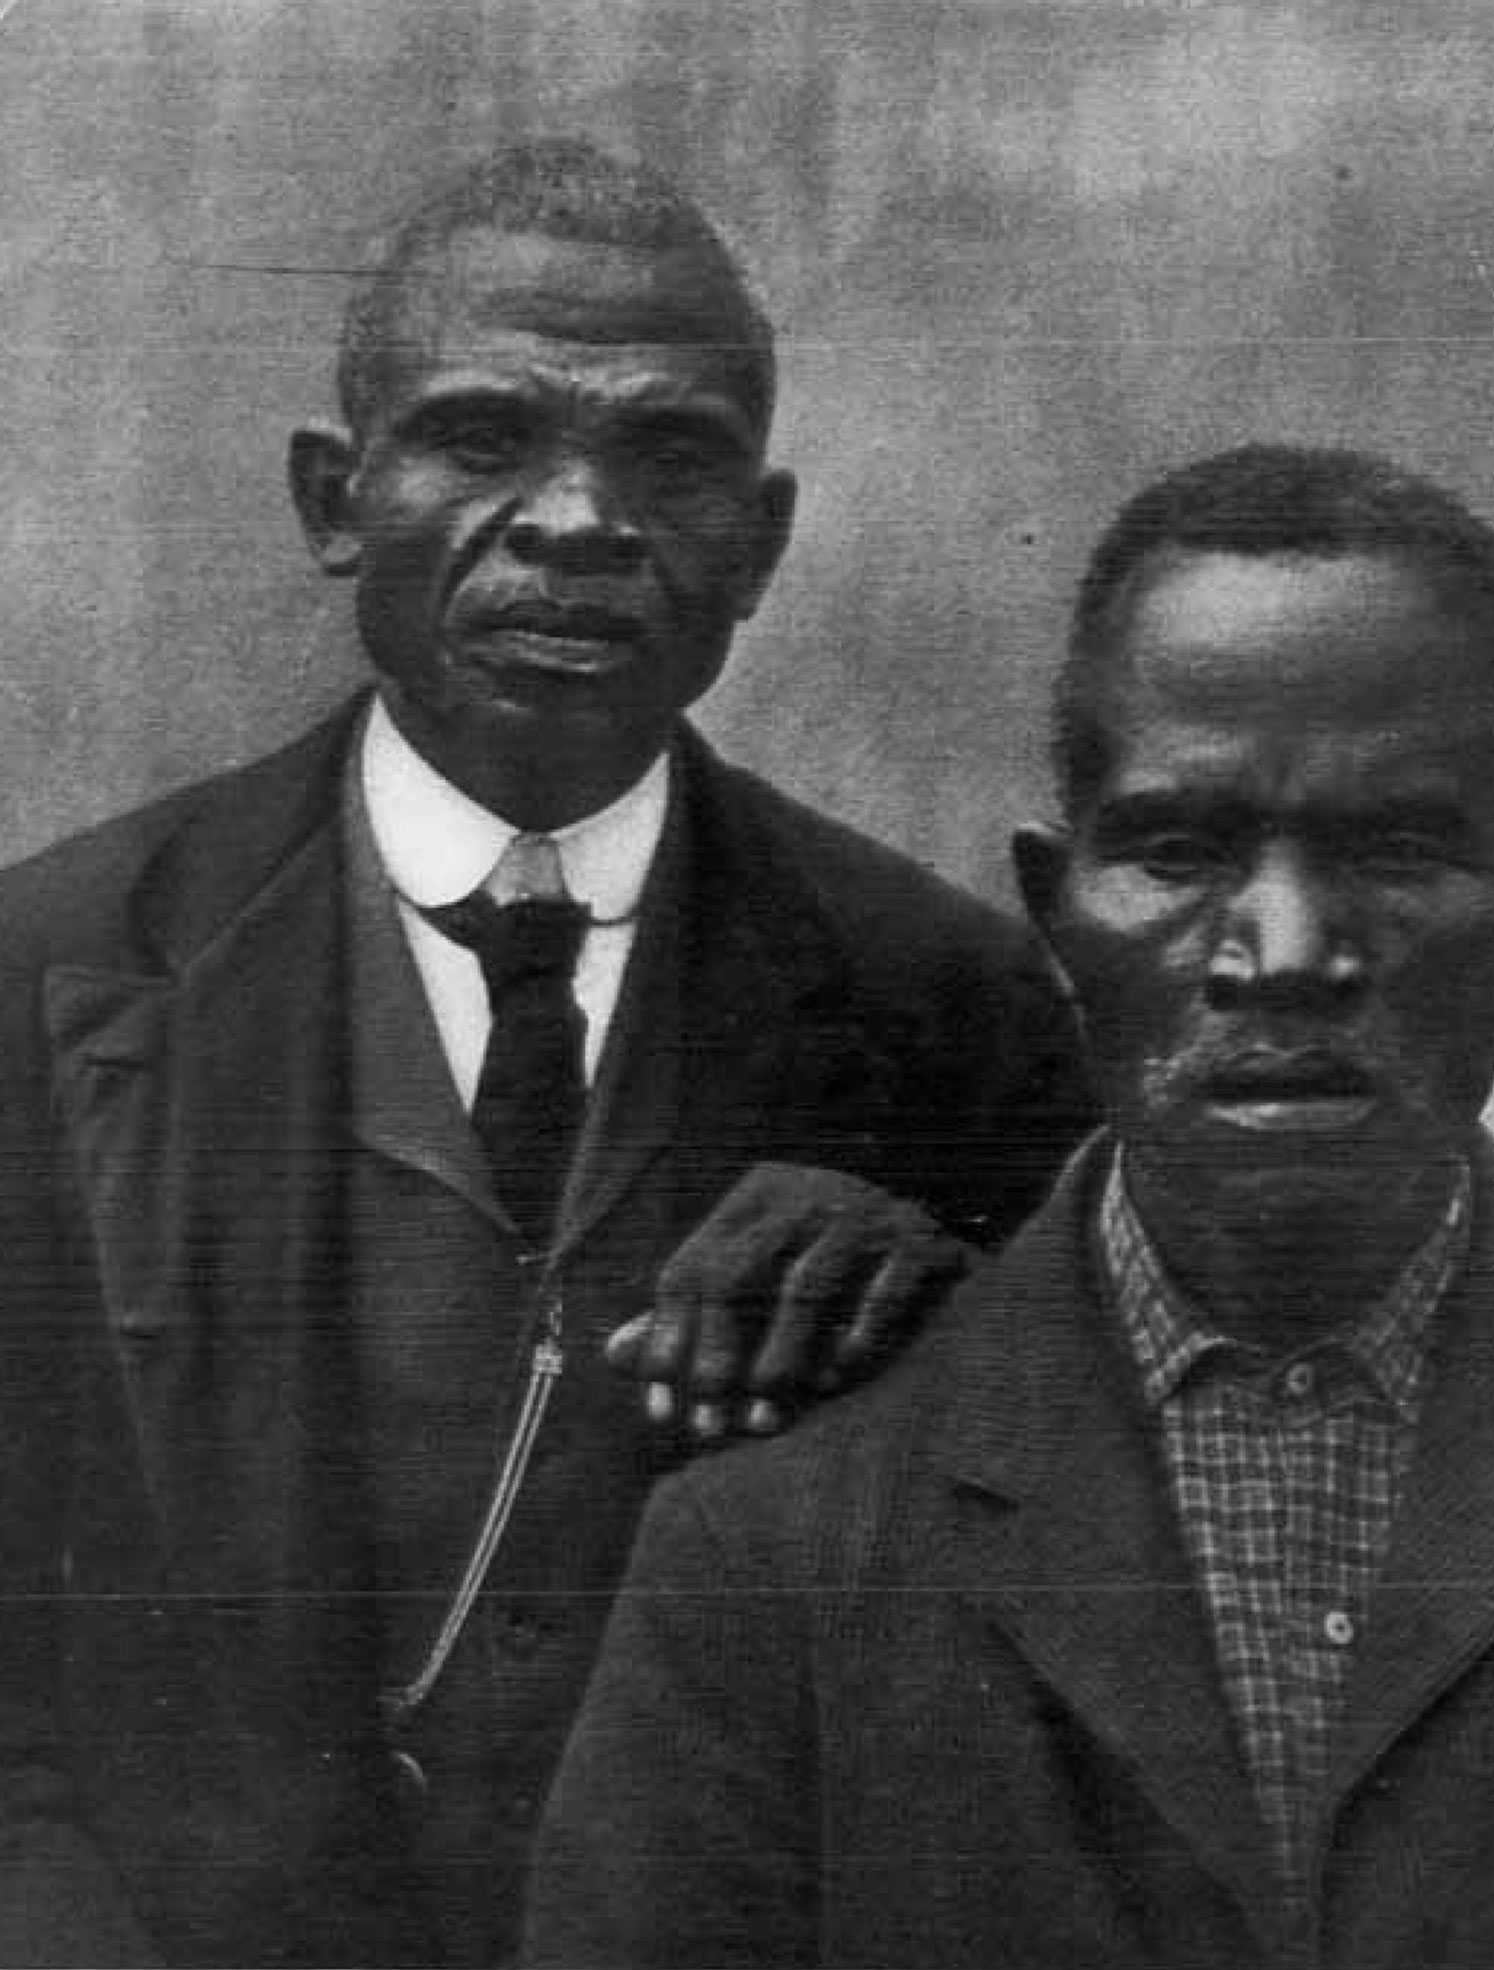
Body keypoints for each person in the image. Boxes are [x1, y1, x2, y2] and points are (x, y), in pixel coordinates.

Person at [523, 443, 1494, 1970]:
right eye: (1180, 847)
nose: (1285, 945)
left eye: (1397, 846)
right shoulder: (769, 1549)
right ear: (1053, 910)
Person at [0, 140, 1088, 1968]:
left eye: (669, 456)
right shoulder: (48, 974)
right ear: (337, 497)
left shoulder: (955, 1009)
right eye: (485, 438)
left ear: (763, 535)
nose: (579, 519)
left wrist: (955, 1311)